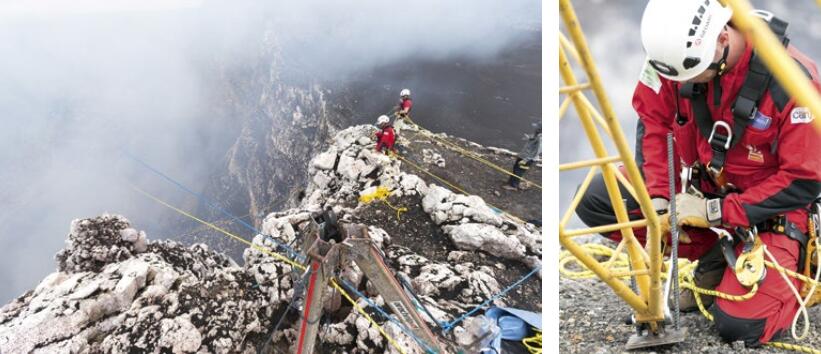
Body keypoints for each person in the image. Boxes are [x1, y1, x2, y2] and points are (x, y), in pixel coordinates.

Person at [574, 0, 821, 347]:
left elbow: (802, 181)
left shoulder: (793, 83)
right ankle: (719, 254)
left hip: (769, 213)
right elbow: (655, 123)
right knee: (599, 198)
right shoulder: (676, 58)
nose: (683, 83)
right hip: (703, 193)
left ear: (722, 37)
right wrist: (659, 200)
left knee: (739, 326)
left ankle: (781, 273)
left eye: (693, 74)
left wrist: (714, 213)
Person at [503, 122, 541, 191]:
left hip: (527, 159)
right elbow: (533, 140)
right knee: (515, 168)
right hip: (523, 156)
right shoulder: (537, 135)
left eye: (537, 128)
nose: (535, 129)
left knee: (519, 171)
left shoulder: (541, 139)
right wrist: (528, 138)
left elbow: (536, 152)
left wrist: (526, 160)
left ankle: (513, 186)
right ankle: (510, 182)